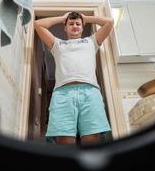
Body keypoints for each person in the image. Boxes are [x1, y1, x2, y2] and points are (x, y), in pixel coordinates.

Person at [34, 11, 114, 145]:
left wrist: (85, 18)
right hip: (62, 94)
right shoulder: (57, 44)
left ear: (83, 27)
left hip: (90, 92)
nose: (75, 26)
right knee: (64, 140)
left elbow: (109, 22)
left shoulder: (92, 41)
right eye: (71, 24)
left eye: (78, 24)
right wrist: (62, 18)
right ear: (65, 28)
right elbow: (38, 24)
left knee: (92, 139)